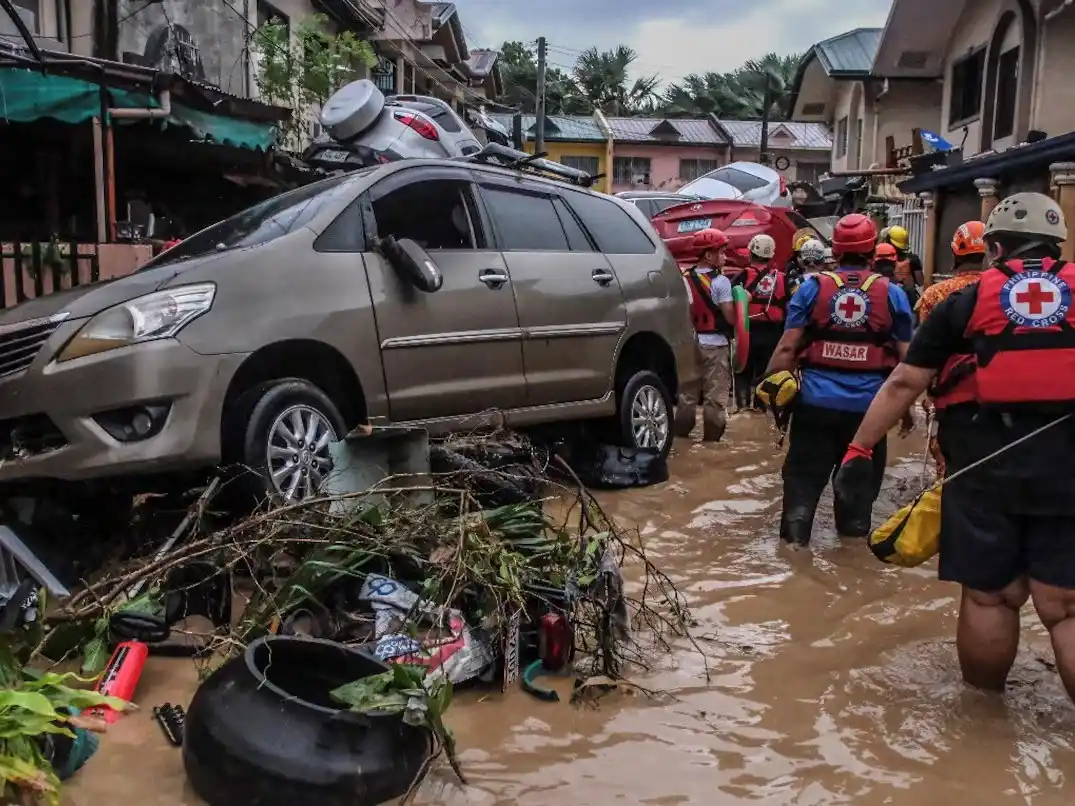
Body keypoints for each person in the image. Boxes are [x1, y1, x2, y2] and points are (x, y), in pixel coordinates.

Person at [832, 192, 1075, 702]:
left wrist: (858, 449)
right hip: (1069, 469)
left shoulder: (960, 302)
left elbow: (904, 383)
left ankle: (982, 723)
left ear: (995, 247)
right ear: (1058, 245)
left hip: (983, 468)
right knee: (1066, 606)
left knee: (991, 597)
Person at [763, 213, 915, 547]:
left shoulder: (811, 288)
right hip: (869, 416)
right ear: (872, 249)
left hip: (814, 407)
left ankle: (794, 558)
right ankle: (849, 562)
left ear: (837, 249)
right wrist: (905, 410)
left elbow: (787, 348)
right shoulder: (893, 294)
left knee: (801, 493)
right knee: (857, 508)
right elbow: (908, 362)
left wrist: (772, 396)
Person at [917, 220, 987, 477]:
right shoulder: (1000, 290)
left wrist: (928, 397)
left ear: (955, 251)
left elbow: (925, 355)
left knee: (944, 463)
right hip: (993, 391)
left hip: (948, 394)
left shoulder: (934, 295)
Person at [675, 227, 737, 442]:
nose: (725, 256)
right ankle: (712, 442)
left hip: (689, 344)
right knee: (715, 398)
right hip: (716, 345)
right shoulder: (721, 282)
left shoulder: (683, 278)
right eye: (721, 252)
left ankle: (680, 438)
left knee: (687, 395)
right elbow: (730, 317)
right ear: (708, 255)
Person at [737, 234, 789, 411]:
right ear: (771, 256)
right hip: (773, 333)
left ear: (751, 253)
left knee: (742, 372)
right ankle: (760, 410)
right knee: (765, 374)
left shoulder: (742, 276)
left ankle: (742, 410)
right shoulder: (783, 278)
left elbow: (732, 303)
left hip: (747, 332)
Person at [886, 224, 924, 307]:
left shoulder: (883, 259)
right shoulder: (913, 259)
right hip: (909, 301)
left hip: (889, 300)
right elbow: (920, 282)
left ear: (888, 240)